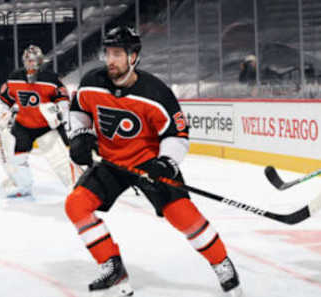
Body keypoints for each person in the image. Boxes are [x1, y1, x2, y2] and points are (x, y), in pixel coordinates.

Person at [65, 26, 242, 297]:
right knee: (76, 205)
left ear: (133, 56)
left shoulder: (156, 92)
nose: (110, 60)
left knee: (185, 217)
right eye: (108, 53)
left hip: (148, 165)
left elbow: (177, 134)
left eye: (117, 54)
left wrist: (165, 162)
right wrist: (79, 135)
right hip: (112, 163)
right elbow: (78, 111)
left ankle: (221, 262)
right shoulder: (92, 81)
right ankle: (112, 265)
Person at [0, 44, 76, 197]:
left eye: (33, 61)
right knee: (17, 158)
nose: (30, 64)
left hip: (46, 126)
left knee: (58, 160)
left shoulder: (51, 79)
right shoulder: (15, 78)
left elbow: (63, 101)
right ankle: (23, 186)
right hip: (23, 125)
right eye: (27, 61)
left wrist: (58, 111)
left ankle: (74, 187)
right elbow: (5, 101)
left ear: (40, 61)